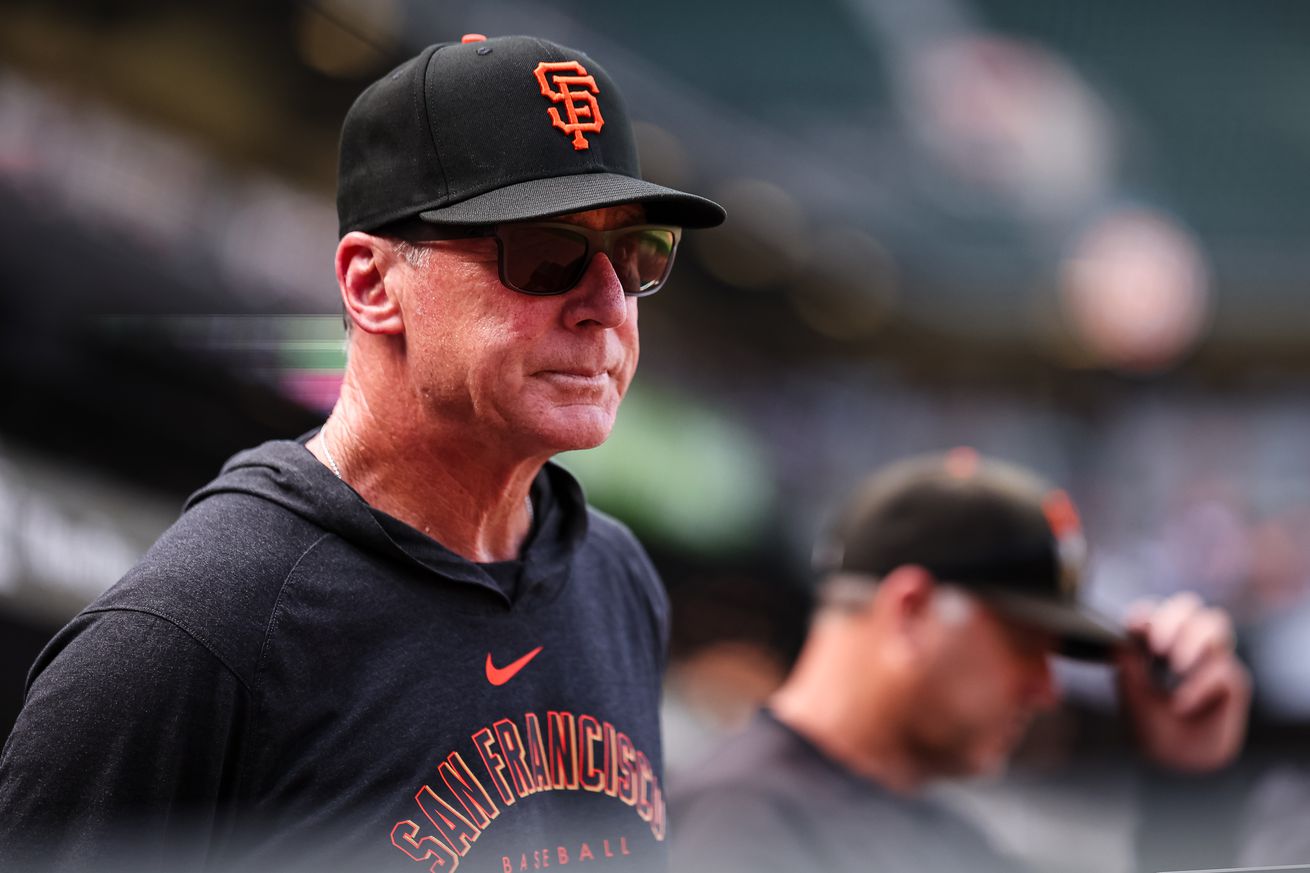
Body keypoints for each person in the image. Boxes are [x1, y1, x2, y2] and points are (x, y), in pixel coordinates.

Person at [0, 34, 724, 873]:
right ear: (373, 285)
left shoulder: (619, 578)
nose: (609, 304)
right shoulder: (201, 629)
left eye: (638, 254)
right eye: (547, 254)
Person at [671, 449, 1251, 873]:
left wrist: (1186, 780)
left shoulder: (949, 837)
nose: (1046, 689)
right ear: (912, 611)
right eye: (1025, 645)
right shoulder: (740, 822)